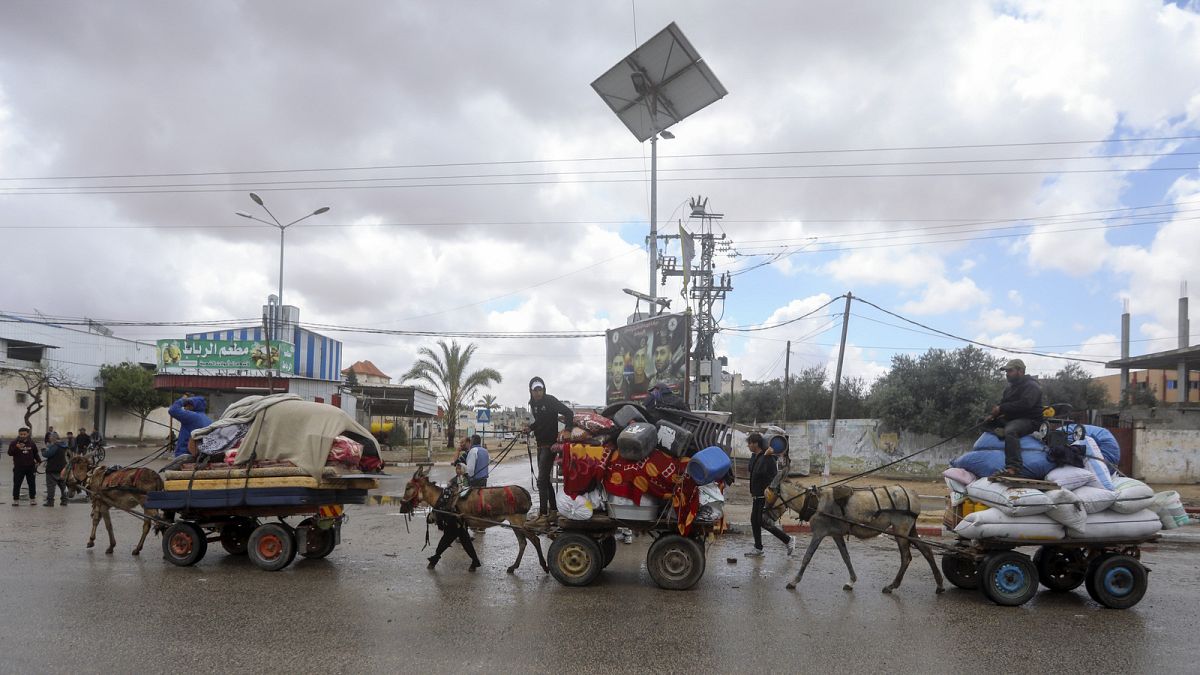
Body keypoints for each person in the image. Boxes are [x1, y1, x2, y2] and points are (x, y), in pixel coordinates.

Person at [523, 376, 574, 517]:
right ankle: (553, 510)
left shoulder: (550, 400)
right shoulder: (533, 404)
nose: (538, 392)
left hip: (549, 445)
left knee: (541, 482)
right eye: (535, 390)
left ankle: (543, 515)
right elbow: (540, 421)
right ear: (531, 391)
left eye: (540, 389)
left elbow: (569, 413)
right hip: (540, 444)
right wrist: (530, 428)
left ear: (544, 389)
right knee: (545, 480)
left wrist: (568, 429)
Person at [989, 358, 1043, 477]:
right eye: (1006, 372)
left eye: (1010, 371)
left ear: (1021, 371)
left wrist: (1001, 408)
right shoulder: (1009, 388)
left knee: (1011, 430)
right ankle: (1002, 435)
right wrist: (994, 414)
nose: (1007, 374)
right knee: (985, 423)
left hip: (1030, 420)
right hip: (1013, 419)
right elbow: (1004, 404)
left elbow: (1026, 404)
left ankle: (1013, 467)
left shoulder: (1032, 386)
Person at [745, 432, 794, 558]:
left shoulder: (769, 458)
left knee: (763, 522)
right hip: (756, 496)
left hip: (764, 497)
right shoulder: (757, 456)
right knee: (754, 521)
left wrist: (766, 456)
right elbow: (751, 469)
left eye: (749, 443)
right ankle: (758, 548)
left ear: (756, 443)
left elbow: (764, 472)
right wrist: (754, 455)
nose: (748, 446)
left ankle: (788, 540)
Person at [426, 487, 481, 572]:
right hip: (454, 526)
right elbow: (432, 518)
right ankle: (475, 562)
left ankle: (434, 561)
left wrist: (459, 516)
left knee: (444, 545)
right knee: (464, 544)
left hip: (456, 527)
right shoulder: (442, 503)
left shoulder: (454, 500)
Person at [8, 427, 41, 506]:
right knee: (17, 484)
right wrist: (17, 447)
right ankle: (16, 500)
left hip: (31, 467)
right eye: (21, 434)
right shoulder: (14, 442)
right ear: (19, 434)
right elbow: (9, 453)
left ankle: (32, 499)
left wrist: (39, 461)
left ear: (28, 434)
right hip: (19, 467)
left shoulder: (32, 443)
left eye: (24, 434)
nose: (22, 435)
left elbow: (35, 453)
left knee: (32, 483)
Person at [41, 436, 70, 506]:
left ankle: (50, 502)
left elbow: (47, 454)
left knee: (51, 486)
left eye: (50, 439)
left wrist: (43, 450)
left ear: (53, 439)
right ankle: (64, 501)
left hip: (52, 469)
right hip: (63, 469)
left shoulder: (55, 446)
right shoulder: (64, 446)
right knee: (63, 486)